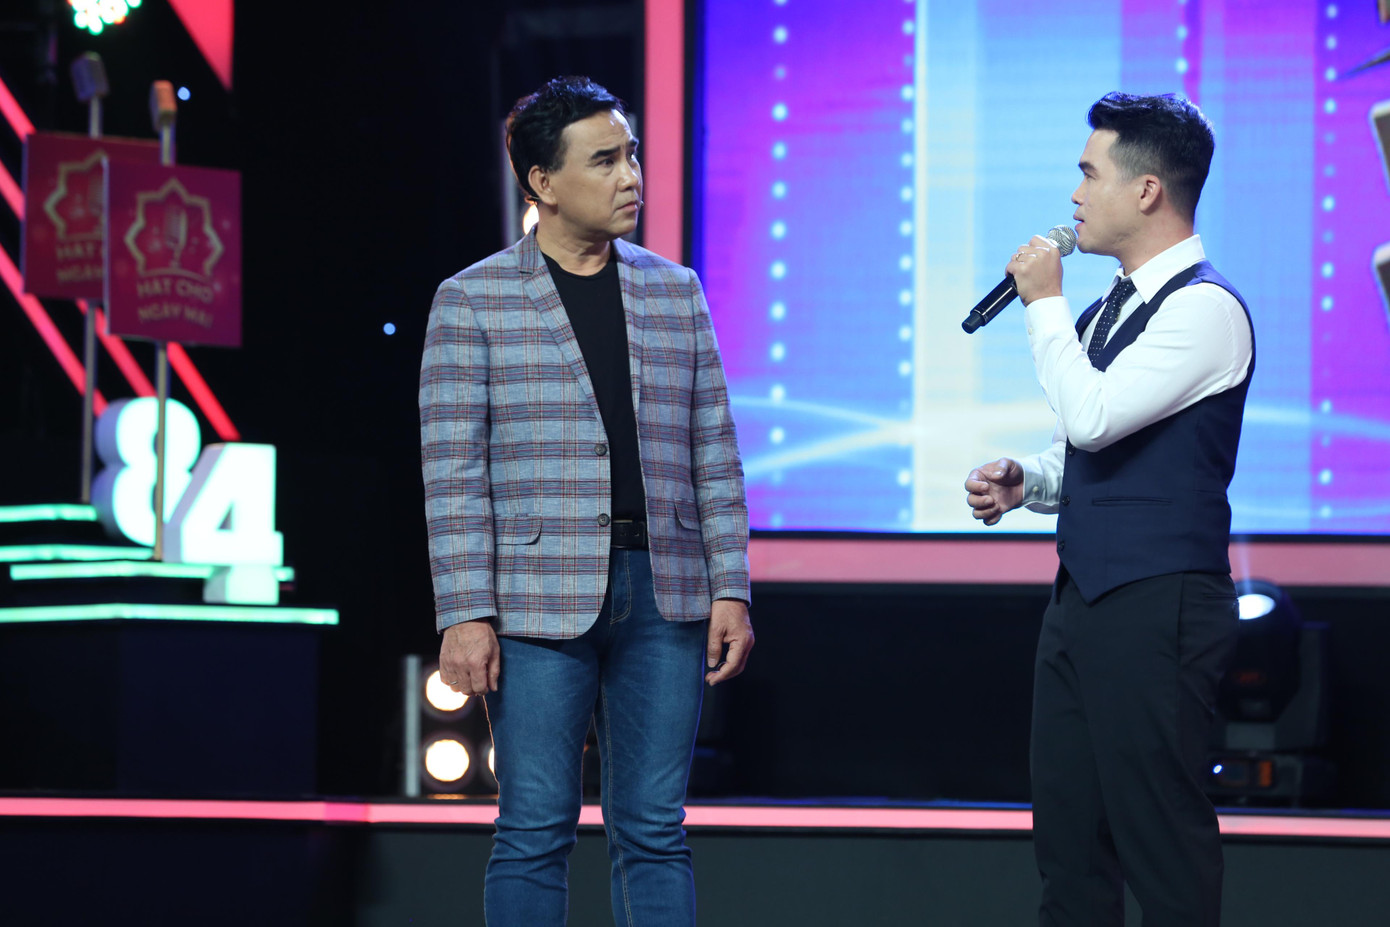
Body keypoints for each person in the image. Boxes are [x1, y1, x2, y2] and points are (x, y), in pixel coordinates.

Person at [419, 76, 752, 926]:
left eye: (630, 154)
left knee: (656, 829)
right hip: (534, 602)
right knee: (534, 827)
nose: (630, 175)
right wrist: (464, 612)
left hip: (666, 591)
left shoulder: (674, 290)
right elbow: (452, 472)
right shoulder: (472, 298)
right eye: (604, 161)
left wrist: (731, 586)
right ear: (542, 182)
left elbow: (714, 451)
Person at [964, 92, 1254, 927]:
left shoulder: (1206, 308)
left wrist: (1042, 301)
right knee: (1070, 842)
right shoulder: (1106, 311)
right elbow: (1088, 445)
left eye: (1090, 174)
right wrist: (1029, 481)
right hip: (1082, 597)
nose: (1075, 194)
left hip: (1160, 601)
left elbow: (1093, 415)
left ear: (1148, 190)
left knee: (1160, 839)